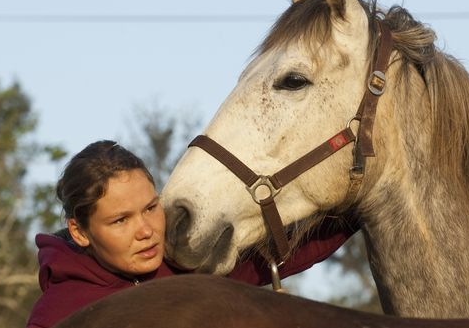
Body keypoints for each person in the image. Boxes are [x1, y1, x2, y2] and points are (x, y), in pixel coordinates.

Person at [26, 140, 357, 328]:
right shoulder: (56, 317)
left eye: (151, 208)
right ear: (80, 232)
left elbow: (282, 250)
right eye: (120, 221)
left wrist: (362, 206)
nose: (146, 231)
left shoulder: (190, 262)